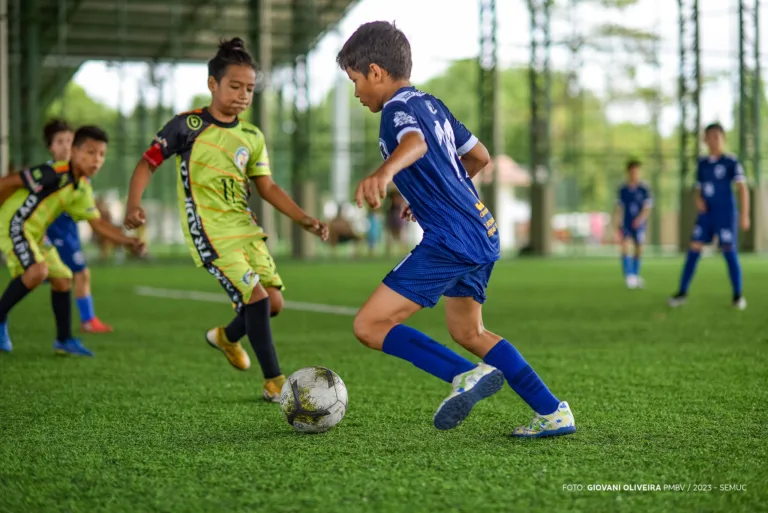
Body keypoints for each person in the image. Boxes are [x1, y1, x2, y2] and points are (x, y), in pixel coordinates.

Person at [337, 21, 576, 437]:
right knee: (469, 330)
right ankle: (552, 411)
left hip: (450, 238)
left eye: (355, 80)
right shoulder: (431, 103)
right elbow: (479, 157)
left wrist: (384, 173)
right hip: (481, 230)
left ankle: (463, 375)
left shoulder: (396, 110)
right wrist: (429, 191)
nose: (356, 92)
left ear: (375, 71)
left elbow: (415, 145)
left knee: (369, 326)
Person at [124, 37, 328, 402]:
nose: (244, 94)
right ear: (213, 84)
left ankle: (226, 337)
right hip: (210, 232)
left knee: (273, 303)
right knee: (258, 299)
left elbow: (267, 186)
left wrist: (303, 219)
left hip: (246, 230)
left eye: (250, 88)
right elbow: (147, 162)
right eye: (235, 86)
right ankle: (274, 382)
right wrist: (133, 205)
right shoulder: (186, 125)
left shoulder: (252, 136)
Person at [0, 126, 144, 355]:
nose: (96, 160)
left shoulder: (82, 187)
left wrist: (128, 241)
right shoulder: (53, 173)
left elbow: (97, 224)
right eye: (89, 152)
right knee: (38, 271)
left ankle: (64, 340)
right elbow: (7, 182)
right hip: (14, 225)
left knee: (64, 279)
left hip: (36, 234)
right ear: (74, 152)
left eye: (101, 154)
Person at [42, 120, 114, 333]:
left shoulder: (81, 175)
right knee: (68, 275)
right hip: (52, 235)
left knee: (76, 275)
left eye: (69, 141)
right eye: (60, 141)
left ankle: (87, 321)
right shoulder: (48, 174)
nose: (65, 146)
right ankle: (86, 321)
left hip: (69, 234)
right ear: (51, 147)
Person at [669, 122, 750, 309]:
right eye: (709, 137)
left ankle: (738, 296)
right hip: (707, 216)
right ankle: (682, 292)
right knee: (693, 249)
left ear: (723, 139)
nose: (713, 141)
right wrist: (698, 200)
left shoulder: (731, 162)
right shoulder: (702, 164)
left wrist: (745, 215)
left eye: (717, 137)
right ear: (704, 140)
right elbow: (698, 189)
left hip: (725, 214)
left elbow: (742, 188)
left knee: (729, 252)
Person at [613, 159, 652, 289]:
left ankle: (635, 274)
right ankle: (629, 275)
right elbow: (619, 208)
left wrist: (640, 219)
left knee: (639, 247)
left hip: (639, 223)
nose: (634, 174)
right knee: (625, 245)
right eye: (632, 172)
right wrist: (618, 221)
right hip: (626, 222)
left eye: (636, 172)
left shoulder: (644, 188)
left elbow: (647, 207)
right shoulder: (623, 189)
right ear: (628, 172)